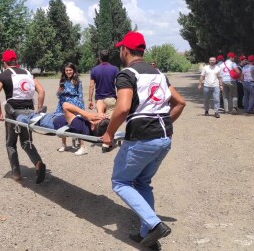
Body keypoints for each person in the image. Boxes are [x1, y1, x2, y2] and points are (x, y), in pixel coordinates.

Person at [101, 31, 186, 250]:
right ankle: (147, 235)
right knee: (142, 182)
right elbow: (180, 103)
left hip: (142, 138)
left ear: (125, 50)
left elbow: (122, 108)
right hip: (164, 138)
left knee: (120, 182)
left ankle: (154, 224)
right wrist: (164, 123)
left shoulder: (126, 74)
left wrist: (109, 133)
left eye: (120, 48)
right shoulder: (158, 73)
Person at [0, 49, 47, 184]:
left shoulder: (4, 76)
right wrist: (39, 109)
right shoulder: (29, 74)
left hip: (13, 113)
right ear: (16, 61)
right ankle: (38, 163)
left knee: (11, 144)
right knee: (26, 142)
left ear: (4, 62)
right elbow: (41, 91)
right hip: (29, 112)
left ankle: (16, 173)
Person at [7, 102, 109, 137]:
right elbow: (101, 102)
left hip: (52, 122)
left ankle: (14, 114)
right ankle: (40, 113)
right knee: (39, 115)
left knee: (31, 119)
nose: (95, 117)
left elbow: (65, 105)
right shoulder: (99, 128)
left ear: (92, 126)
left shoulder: (80, 127)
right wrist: (100, 112)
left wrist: (86, 114)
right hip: (60, 116)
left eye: (96, 119)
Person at [88, 50, 119, 153]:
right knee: (111, 121)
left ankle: (103, 139)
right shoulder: (115, 69)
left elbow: (91, 86)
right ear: (108, 57)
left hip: (99, 99)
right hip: (111, 98)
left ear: (99, 58)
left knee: (101, 120)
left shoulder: (94, 70)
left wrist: (89, 100)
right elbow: (118, 85)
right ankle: (107, 143)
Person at [55, 63, 87, 155]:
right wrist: (59, 91)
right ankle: (64, 144)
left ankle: (83, 146)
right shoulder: (62, 81)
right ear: (64, 71)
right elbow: (57, 95)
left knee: (77, 124)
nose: (68, 72)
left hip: (74, 104)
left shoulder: (78, 81)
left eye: (70, 70)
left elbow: (80, 95)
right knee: (62, 123)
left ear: (74, 70)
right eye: (66, 70)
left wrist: (81, 109)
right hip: (62, 103)